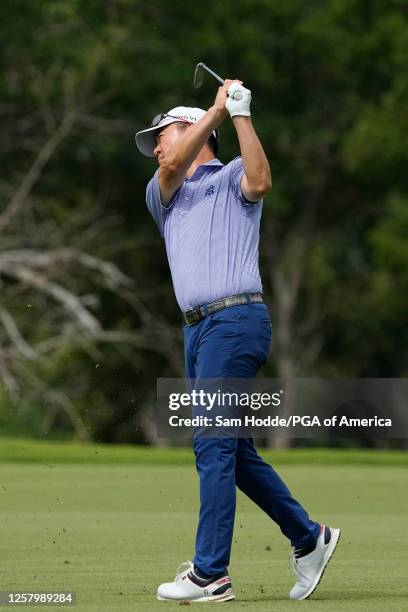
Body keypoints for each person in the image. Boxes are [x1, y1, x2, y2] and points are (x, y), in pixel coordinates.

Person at [135, 79, 340, 603]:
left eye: (163, 132)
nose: (157, 144)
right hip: (196, 331)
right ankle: (308, 536)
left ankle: (211, 573)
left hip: (235, 322)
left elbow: (262, 180)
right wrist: (218, 109)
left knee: (211, 443)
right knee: (234, 450)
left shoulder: (230, 179)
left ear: (193, 133)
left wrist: (240, 115)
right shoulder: (165, 192)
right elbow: (168, 167)